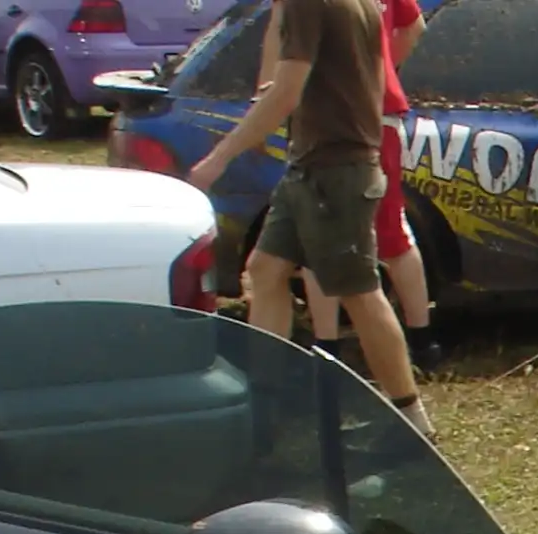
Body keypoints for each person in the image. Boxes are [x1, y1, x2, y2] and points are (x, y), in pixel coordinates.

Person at [188, 0, 428, 434]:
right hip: (311, 164)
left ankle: (412, 424)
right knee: (265, 270)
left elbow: (287, 91)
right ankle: (264, 410)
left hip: (336, 170)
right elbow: (360, 72)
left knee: (358, 292)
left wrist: (217, 160)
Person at [280, 0, 440, 375]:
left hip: (343, 115)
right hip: (364, 111)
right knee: (377, 229)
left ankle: (333, 346)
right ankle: (418, 341)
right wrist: (380, 69)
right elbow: (413, 25)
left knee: (337, 229)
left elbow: (277, 35)